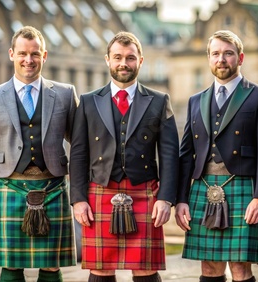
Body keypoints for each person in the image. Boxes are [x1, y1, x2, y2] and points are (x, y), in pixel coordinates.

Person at [69, 31, 179, 282]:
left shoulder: (159, 101)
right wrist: (77, 198)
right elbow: (78, 154)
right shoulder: (87, 102)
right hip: (100, 191)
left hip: (145, 192)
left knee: (145, 268)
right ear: (107, 59)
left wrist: (165, 198)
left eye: (130, 58)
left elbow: (170, 154)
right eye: (117, 57)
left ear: (141, 61)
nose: (123, 63)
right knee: (100, 268)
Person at [175, 30, 258, 282]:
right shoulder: (196, 100)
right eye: (215, 54)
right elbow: (185, 154)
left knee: (240, 268)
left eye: (228, 53)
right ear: (209, 59)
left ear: (240, 57)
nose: (221, 59)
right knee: (209, 268)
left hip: (243, 189)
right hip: (202, 188)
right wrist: (180, 199)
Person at [0, 26, 78, 282]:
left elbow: (79, 147)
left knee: (52, 265)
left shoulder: (65, 94)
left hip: (54, 188)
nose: (28, 60)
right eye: (22, 53)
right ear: (11, 54)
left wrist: (79, 194)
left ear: (44, 56)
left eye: (35, 54)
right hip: (9, 188)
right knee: (11, 265)